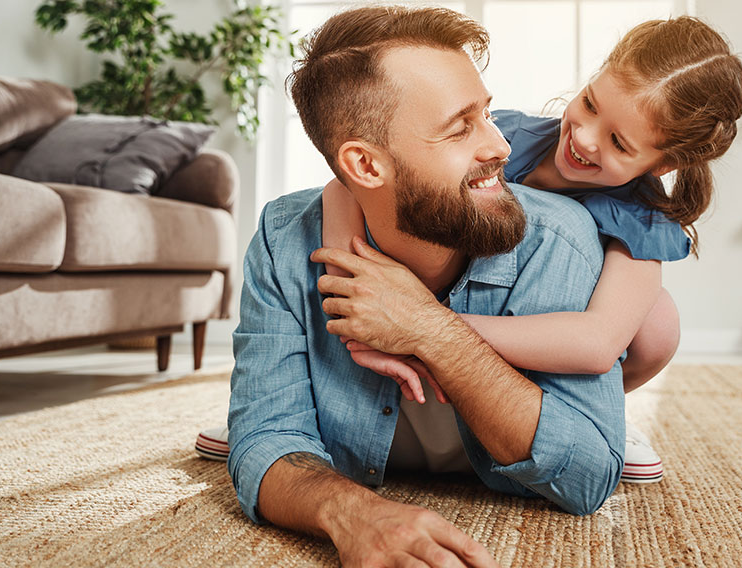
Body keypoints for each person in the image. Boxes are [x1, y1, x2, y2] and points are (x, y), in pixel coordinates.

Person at [227, 5, 625, 566]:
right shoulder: (283, 239)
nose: (500, 147)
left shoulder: (560, 237)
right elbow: (265, 443)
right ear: (364, 166)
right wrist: (351, 513)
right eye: (460, 128)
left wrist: (430, 329)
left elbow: (588, 477)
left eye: (486, 115)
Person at [318, 16, 742, 483]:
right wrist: (351, 300)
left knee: (658, 323)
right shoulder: (502, 136)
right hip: (454, 290)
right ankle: (301, 404)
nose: (584, 137)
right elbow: (345, 186)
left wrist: (427, 327)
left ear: (662, 163)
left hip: (532, 335)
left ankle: (593, 419)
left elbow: (598, 343)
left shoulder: (642, 219)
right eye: (590, 104)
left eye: (618, 142)